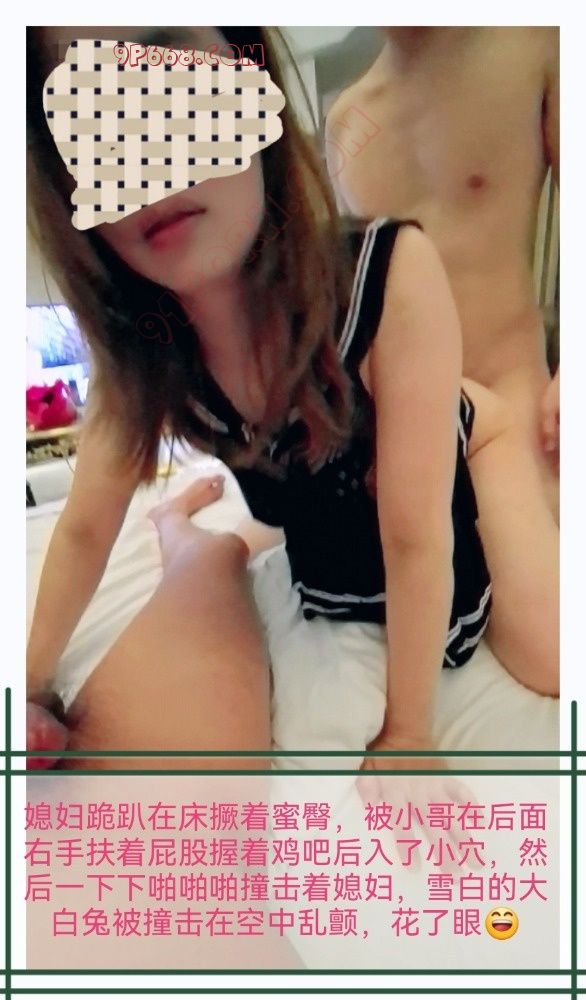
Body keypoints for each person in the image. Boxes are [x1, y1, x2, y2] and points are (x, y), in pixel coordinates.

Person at [26, 25, 558, 778]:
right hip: (341, 460)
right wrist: (27, 684)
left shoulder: (389, 271)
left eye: (169, 77)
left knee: (553, 653)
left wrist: (407, 734)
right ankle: (187, 529)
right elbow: (84, 528)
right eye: (85, 114)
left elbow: (415, 537)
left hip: (472, 428)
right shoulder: (143, 352)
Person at [326, 26, 560, 518]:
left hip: (517, 400)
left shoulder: (530, 45)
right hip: (406, 429)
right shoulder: (347, 121)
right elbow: (358, 293)